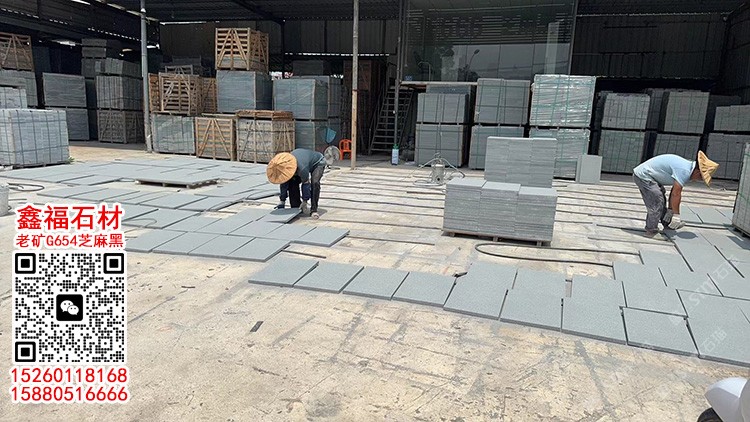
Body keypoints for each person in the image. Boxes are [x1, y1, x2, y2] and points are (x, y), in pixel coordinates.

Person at [632, 151, 718, 237]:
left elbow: (673, 192)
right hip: (643, 176)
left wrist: (670, 210)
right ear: (698, 172)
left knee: (660, 198)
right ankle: (651, 231)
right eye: (700, 178)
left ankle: (668, 224)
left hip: (651, 177)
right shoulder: (685, 171)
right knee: (657, 201)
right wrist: (676, 215)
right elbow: (676, 194)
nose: (697, 180)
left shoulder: (687, 168)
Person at [266, 148, 326, 219]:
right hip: (302, 161)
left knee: (315, 183)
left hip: (318, 163)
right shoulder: (284, 165)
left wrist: (305, 201)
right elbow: (284, 182)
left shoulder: (302, 168)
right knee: (292, 182)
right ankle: (296, 207)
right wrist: (282, 200)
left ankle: (314, 210)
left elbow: (306, 184)